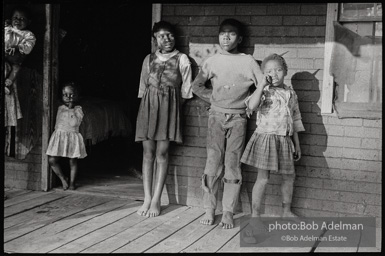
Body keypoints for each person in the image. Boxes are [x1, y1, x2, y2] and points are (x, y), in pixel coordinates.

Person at [192, 18, 264, 229]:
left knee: (232, 165)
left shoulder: (248, 61)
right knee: (213, 162)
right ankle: (209, 208)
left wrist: (249, 104)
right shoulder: (211, 61)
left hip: (239, 119)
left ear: (239, 38)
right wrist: (213, 98)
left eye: (231, 34)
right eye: (223, 33)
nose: (226, 37)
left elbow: (262, 87)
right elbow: (197, 86)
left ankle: (229, 211)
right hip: (215, 116)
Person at [135, 21, 193, 217]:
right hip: (148, 108)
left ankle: (157, 200)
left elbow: (186, 91)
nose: (166, 39)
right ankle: (147, 198)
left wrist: (171, 110)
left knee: (162, 153)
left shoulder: (182, 59)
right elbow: (143, 88)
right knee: (147, 153)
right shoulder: (149, 59)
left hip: (169, 108)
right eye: (161, 36)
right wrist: (148, 109)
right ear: (155, 40)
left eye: (169, 35)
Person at [241, 53, 305, 219]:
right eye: (269, 70)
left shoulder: (291, 93)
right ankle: (255, 215)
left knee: (289, 176)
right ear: (264, 74)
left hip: (285, 139)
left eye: (278, 70)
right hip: (266, 138)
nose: (274, 74)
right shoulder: (263, 91)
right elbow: (252, 106)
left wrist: (296, 144)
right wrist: (261, 85)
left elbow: (295, 118)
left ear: (286, 71)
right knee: (263, 178)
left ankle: (286, 211)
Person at [46, 82, 87, 190]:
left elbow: (74, 123)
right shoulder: (59, 108)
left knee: (72, 161)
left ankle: (72, 183)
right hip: (60, 137)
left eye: (72, 95)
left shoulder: (78, 110)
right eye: (65, 95)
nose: (69, 97)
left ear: (77, 96)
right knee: (52, 160)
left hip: (72, 137)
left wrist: (71, 109)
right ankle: (63, 178)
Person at [4, 6, 36, 94]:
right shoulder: (8, 29)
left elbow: (28, 47)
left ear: (29, 22)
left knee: (17, 68)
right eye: (15, 18)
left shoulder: (29, 35)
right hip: (5, 55)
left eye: (22, 18)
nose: (18, 20)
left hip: (15, 59)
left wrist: (18, 47)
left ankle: (7, 84)